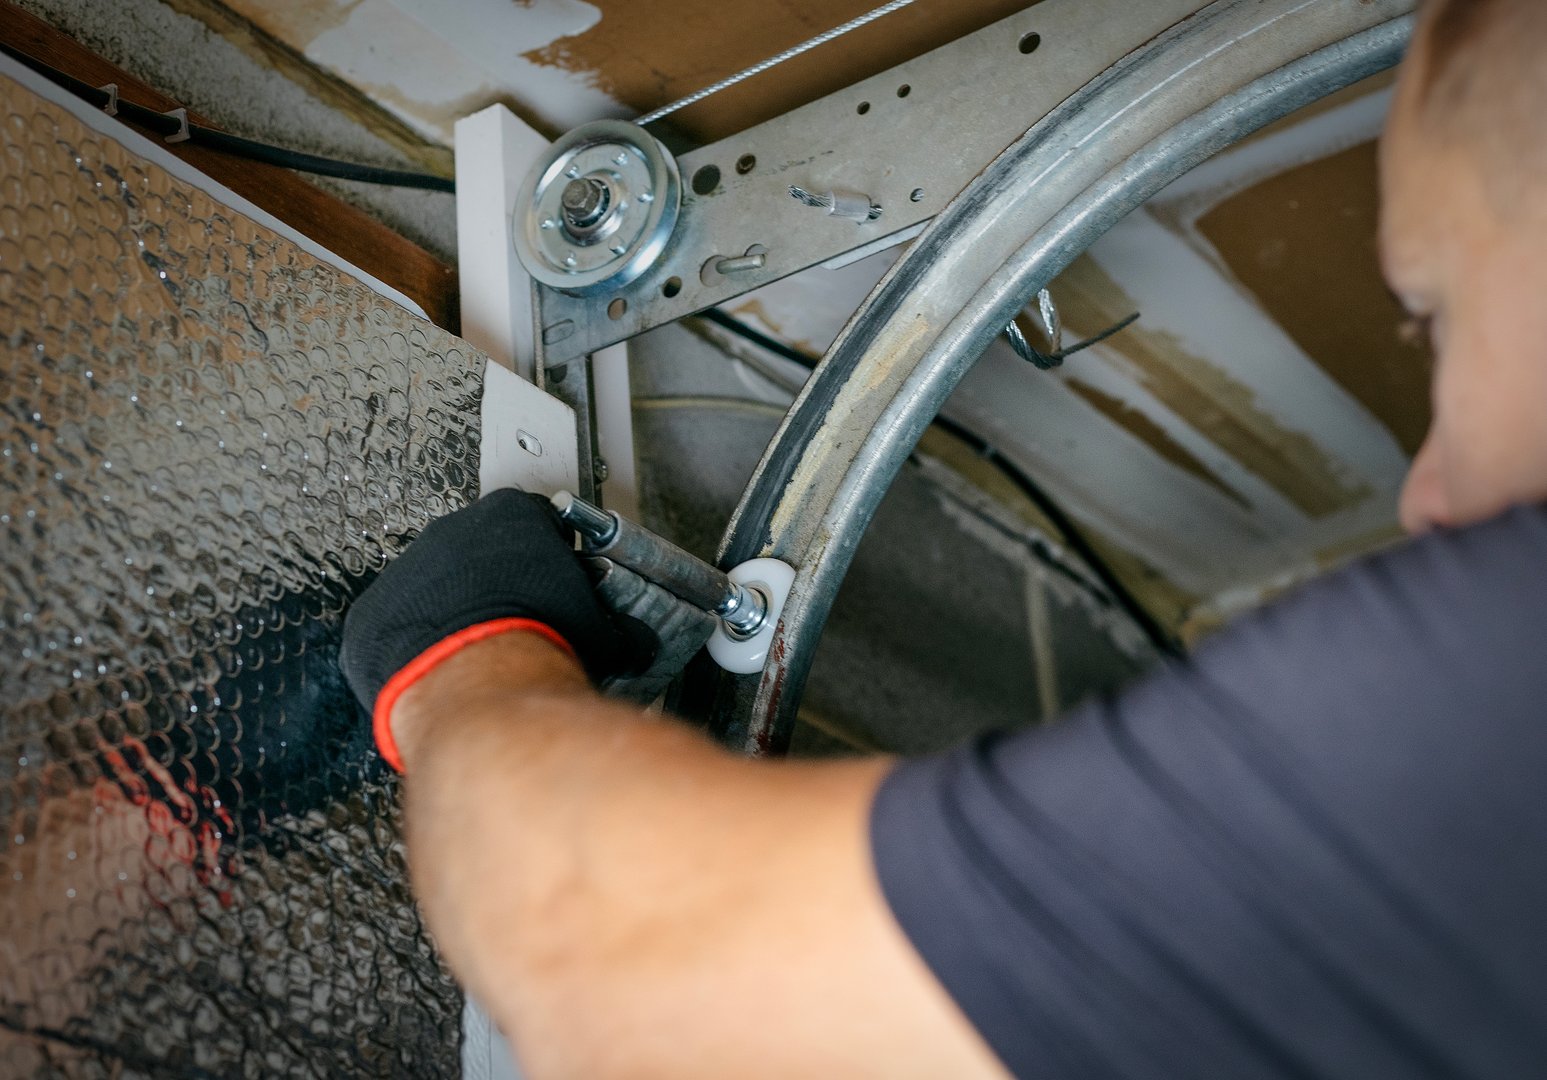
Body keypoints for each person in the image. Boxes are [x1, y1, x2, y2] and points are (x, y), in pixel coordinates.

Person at [339, 1, 1547, 1074]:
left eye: (1435, 319)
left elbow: (623, 971)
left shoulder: (1506, 679)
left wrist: (463, 659)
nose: (1422, 499)